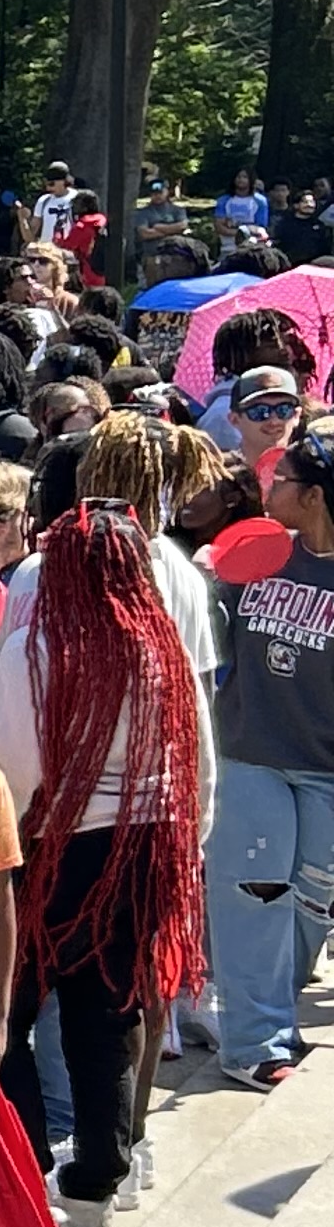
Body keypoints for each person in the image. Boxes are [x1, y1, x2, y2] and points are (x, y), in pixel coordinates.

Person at [0, 501, 210, 1227]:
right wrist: (188, 842)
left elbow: (17, 770)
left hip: (55, 851)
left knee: (7, 1011)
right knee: (110, 1011)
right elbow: (195, 758)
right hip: (148, 846)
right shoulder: (161, 645)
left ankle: (24, 1175)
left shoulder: (32, 647)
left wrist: (3, 859)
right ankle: (96, 1187)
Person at [211, 415, 334, 1087]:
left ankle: (264, 1013)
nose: (269, 486)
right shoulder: (257, 550)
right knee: (255, 892)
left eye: (281, 479)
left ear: (315, 496)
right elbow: (210, 638)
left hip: (327, 767)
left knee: (314, 901)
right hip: (250, 752)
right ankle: (256, 1042)